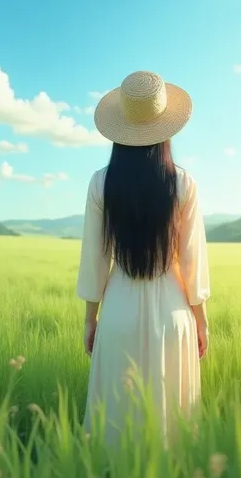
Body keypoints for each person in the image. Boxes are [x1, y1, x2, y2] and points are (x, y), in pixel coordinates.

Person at [76, 70, 210, 443]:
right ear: (166, 128)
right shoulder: (183, 183)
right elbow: (191, 260)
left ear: (120, 128)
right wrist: (201, 321)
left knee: (117, 423)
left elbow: (95, 257)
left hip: (118, 310)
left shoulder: (101, 182)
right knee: (172, 425)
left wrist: (91, 318)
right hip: (173, 314)